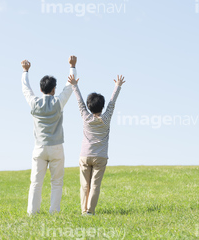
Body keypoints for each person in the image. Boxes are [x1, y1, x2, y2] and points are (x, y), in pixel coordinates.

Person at [21, 56, 78, 215]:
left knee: (36, 183)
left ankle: (33, 212)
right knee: (57, 183)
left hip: (39, 147)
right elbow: (69, 88)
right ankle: (54, 212)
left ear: (41, 90)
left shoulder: (34, 103)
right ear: (53, 90)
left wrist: (25, 71)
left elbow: (26, 89)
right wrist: (72, 66)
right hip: (56, 147)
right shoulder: (58, 102)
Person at [67, 72, 125, 215]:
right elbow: (112, 102)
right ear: (102, 106)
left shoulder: (85, 116)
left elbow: (79, 102)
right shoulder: (106, 117)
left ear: (89, 106)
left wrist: (74, 85)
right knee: (95, 185)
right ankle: (90, 212)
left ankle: (83, 210)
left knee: (84, 185)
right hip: (100, 157)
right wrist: (117, 86)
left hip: (85, 156)